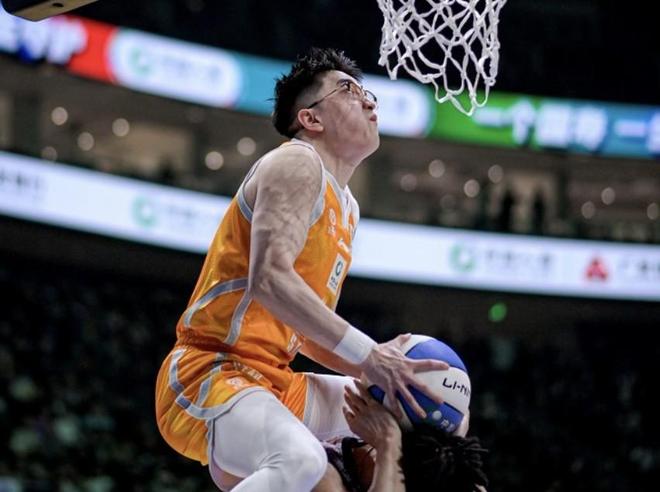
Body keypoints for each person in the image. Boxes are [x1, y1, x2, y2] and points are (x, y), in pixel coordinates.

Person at [154, 47, 449, 492]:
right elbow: (269, 281)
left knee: (425, 405)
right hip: (210, 371)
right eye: (348, 90)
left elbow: (306, 331)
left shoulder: (347, 207)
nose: (368, 101)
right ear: (311, 118)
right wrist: (370, 356)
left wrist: (378, 373)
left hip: (275, 381)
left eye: (367, 93)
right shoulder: (297, 161)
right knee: (301, 462)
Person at [211, 381, 489, 492]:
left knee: (311, 467)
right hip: (249, 447)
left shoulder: (326, 482)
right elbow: (461, 418)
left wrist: (389, 444)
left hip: (225, 458)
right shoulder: (442, 473)